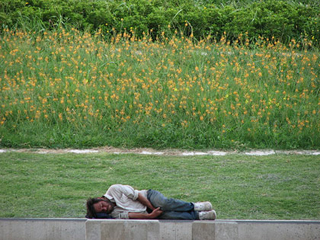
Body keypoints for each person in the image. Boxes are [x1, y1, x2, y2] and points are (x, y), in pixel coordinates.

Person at [86, 184, 216, 220]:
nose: (104, 208)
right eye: (102, 210)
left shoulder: (114, 189)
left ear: (101, 198)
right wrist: (150, 216)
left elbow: (136, 195)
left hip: (148, 197)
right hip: (147, 211)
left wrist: (151, 206)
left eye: (102, 205)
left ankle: (194, 206)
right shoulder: (113, 214)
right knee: (169, 216)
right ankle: (199, 216)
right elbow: (130, 216)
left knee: (164, 203)